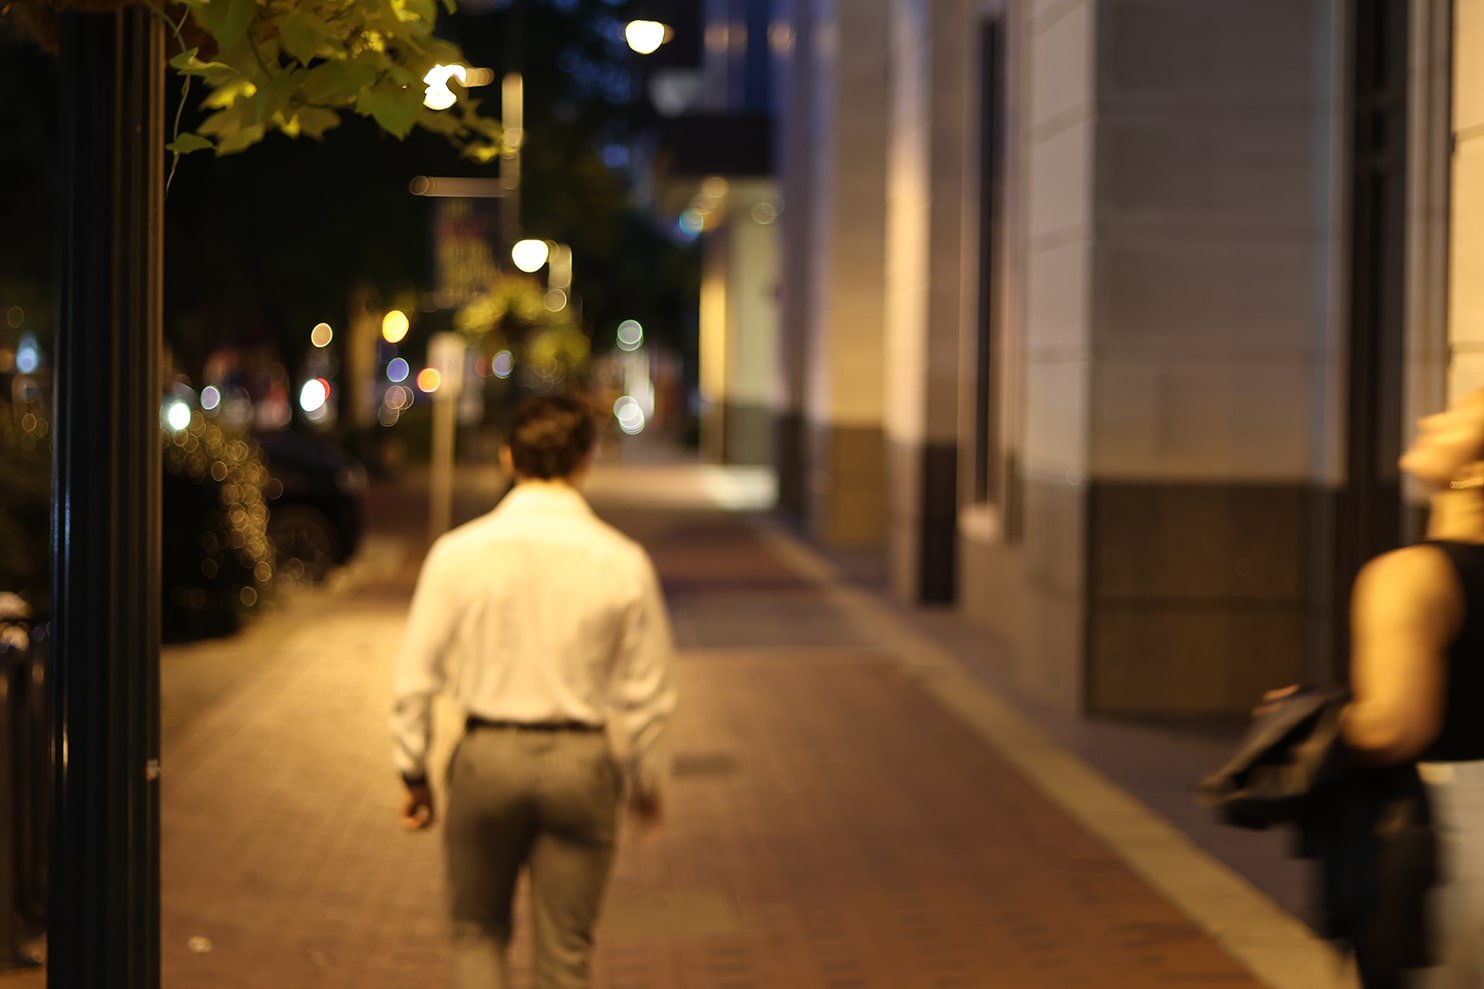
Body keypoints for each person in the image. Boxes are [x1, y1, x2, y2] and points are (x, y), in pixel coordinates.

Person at [391, 394, 678, 989]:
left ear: (506, 457)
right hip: (582, 763)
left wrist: (412, 769)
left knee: (477, 932)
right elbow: (649, 686)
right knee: (566, 952)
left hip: (487, 756)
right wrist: (647, 774)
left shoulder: (457, 555)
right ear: (586, 461)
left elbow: (416, 677)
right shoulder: (622, 560)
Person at [1328, 390, 1484, 986]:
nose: (1428, 420)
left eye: (1456, 419)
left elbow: (1396, 728)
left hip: (1453, 834)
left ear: (1474, 471)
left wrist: (1313, 717)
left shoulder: (1413, 577)